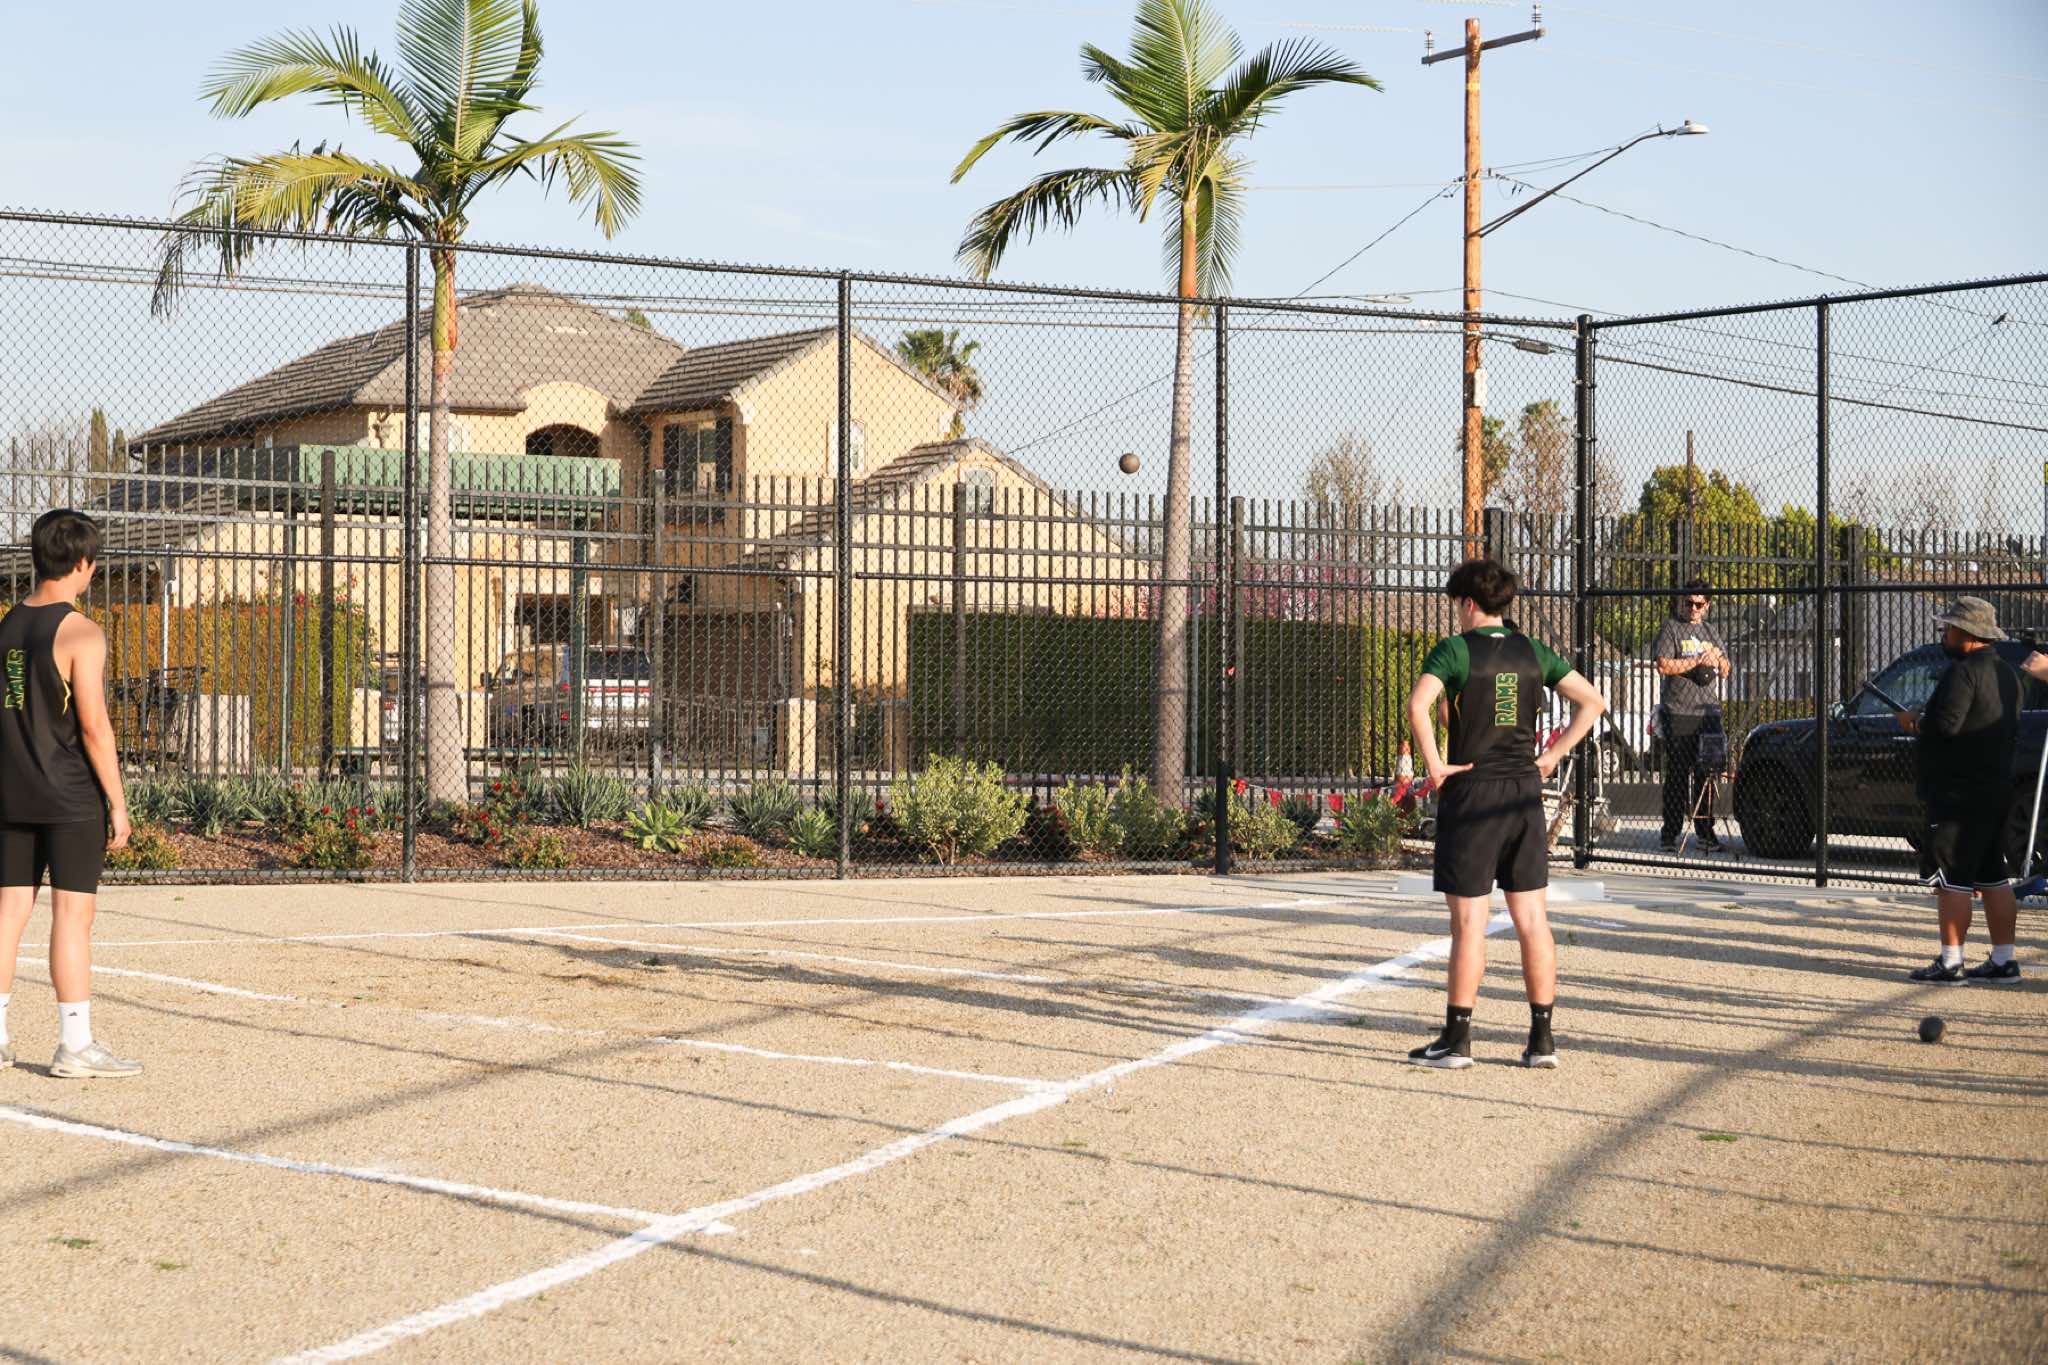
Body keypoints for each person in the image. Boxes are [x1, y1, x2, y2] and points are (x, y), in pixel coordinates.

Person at [1405, 559, 1606, 1069]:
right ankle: (1542, 1040)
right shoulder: (1533, 650)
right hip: (1523, 794)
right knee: (1533, 920)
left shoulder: (1454, 650)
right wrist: (1553, 755)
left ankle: (1457, 1040)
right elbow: (1592, 702)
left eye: (1457, 604)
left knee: (1469, 924)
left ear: (1468, 603)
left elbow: (1418, 706)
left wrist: (1435, 767)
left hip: (1472, 792)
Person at [0, 509, 140, 1077]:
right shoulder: (82, 632)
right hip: (68, 797)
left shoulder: (6, 626)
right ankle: (75, 1045)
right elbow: (94, 726)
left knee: (8, 912)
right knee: (72, 916)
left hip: (9, 794)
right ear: (83, 564)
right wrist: (118, 803)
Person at [1900, 597, 2021, 984]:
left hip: (1957, 795)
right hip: (1996, 788)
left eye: (1949, 628)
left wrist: (1916, 723)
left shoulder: (1963, 673)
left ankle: (1951, 962)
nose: (1945, 634)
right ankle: (2004, 960)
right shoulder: (2007, 674)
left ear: (1967, 634)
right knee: (1994, 876)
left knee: (1951, 878)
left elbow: (1945, 726)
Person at [1651, 580, 1732, 853]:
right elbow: (1664, 665)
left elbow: (1726, 669)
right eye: (1689, 603)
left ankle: (1705, 831)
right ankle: (1670, 833)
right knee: (1677, 772)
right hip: (1679, 711)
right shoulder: (1672, 628)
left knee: (1706, 773)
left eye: (1698, 604)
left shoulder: (1711, 631)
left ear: (1707, 606)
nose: (1693, 609)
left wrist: (1717, 659)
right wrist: (1697, 659)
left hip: (1707, 713)